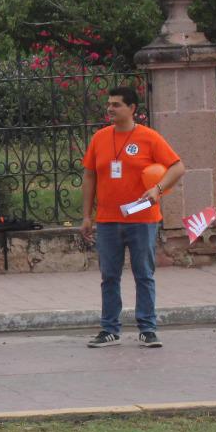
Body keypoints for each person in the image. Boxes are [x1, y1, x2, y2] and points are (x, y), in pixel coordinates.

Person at [79, 85, 184, 349]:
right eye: (109, 104)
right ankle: (109, 329)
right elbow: (90, 175)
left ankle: (148, 328)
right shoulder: (100, 138)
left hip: (142, 218)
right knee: (109, 275)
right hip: (107, 220)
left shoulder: (149, 138)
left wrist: (158, 189)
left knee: (144, 274)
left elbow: (177, 166)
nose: (110, 109)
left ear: (132, 108)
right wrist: (86, 215)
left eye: (116, 104)